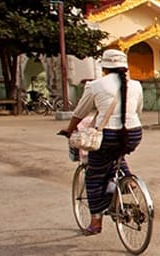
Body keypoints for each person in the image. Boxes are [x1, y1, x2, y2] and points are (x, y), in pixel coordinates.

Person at [57, 49, 144, 235]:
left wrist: (69, 129)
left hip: (108, 135)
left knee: (94, 175)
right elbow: (138, 110)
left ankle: (96, 222)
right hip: (134, 133)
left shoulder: (95, 85)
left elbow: (80, 112)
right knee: (117, 154)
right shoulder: (136, 85)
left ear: (104, 67)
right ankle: (127, 181)